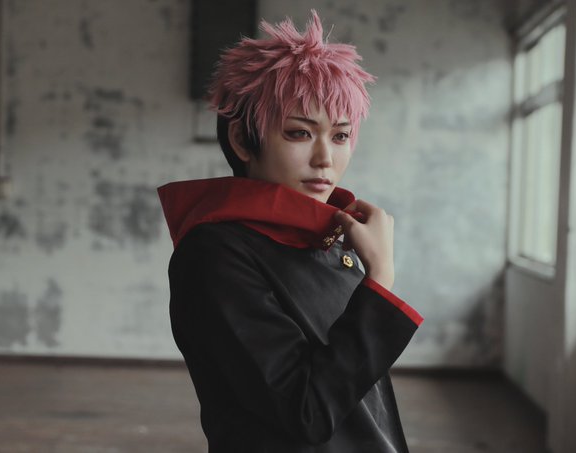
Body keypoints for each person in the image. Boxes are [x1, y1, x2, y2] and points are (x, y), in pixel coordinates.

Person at [158, 10, 423, 452]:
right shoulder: (214, 254)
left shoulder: (331, 237)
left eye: (340, 137)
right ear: (243, 140)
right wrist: (379, 280)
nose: (325, 159)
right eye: (300, 133)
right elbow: (307, 412)